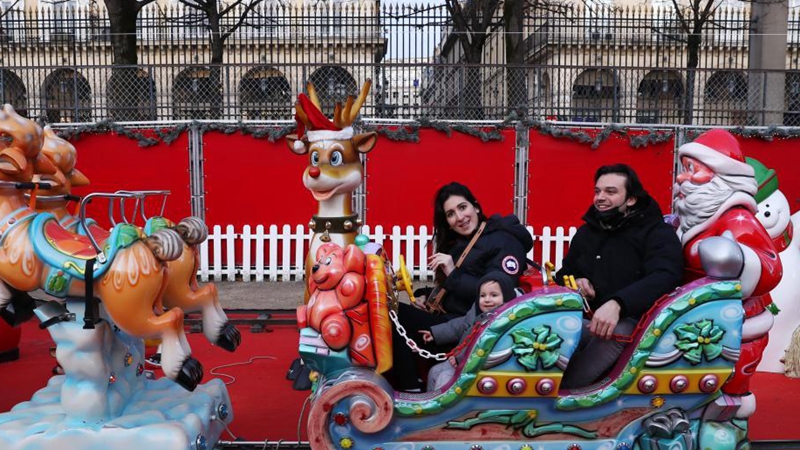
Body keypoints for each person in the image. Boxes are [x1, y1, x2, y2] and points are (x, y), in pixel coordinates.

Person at [673, 129, 781, 417]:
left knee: (728, 382)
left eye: (692, 170)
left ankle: (727, 422)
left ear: (721, 175)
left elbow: (770, 266)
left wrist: (737, 259)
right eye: (682, 170)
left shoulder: (738, 220)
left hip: (738, 323)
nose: (681, 179)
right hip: (695, 318)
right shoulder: (692, 218)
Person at [389, 181, 533, 391]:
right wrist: (425, 295)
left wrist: (452, 272)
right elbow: (454, 288)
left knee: (394, 315)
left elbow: (498, 296)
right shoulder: (465, 242)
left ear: (476, 206)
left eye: (462, 207)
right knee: (389, 311)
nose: (459, 217)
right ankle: (406, 383)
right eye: (451, 214)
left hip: (470, 329)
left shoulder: (504, 241)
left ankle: (410, 387)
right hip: (450, 317)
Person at [557, 164, 683, 389]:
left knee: (617, 331)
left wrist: (619, 303)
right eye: (598, 191)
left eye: (610, 192)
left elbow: (666, 275)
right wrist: (576, 280)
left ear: (631, 199)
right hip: (586, 318)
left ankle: (567, 397)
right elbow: (564, 272)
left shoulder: (656, 233)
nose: (600, 198)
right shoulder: (587, 232)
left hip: (635, 325)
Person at [420, 271, 517, 391]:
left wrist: (459, 358)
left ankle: (446, 408)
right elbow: (461, 324)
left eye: (494, 295)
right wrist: (436, 333)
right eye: (482, 295)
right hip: (465, 361)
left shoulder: (500, 320)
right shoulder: (477, 311)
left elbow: (482, 344)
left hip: (479, 366)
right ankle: (431, 407)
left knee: (444, 378)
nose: (487, 300)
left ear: (506, 297)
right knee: (435, 372)